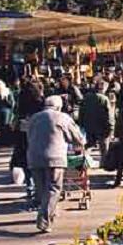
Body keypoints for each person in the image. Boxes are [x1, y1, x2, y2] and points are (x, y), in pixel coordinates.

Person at [27, 96, 84, 233]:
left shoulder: (34, 118)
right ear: (59, 107)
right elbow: (77, 137)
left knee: (41, 189)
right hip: (55, 158)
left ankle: (49, 211)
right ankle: (44, 220)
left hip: (34, 157)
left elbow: (29, 135)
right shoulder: (62, 117)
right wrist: (79, 144)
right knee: (53, 188)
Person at [79, 81, 114, 166]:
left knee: (89, 144)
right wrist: (111, 127)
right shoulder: (104, 99)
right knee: (104, 147)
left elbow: (81, 112)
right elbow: (109, 115)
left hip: (89, 126)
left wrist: (81, 124)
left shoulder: (86, 97)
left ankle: (83, 160)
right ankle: (104, 164)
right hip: (102, 127)